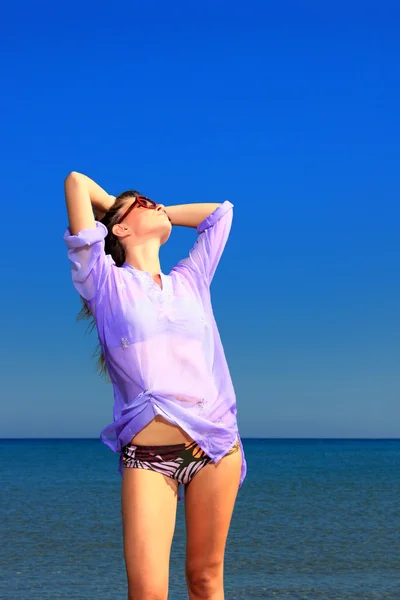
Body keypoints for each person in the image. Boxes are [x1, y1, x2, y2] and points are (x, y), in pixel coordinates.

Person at [63, 171, 247, 600]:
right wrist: (115, 203)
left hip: (216, 445)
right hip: (148, 456)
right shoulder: (104, 282)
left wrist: (154, 210)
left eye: (154, 200)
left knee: (205, 581)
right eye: (141, 202)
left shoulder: (191, 279)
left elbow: (221, 215)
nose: (154, 203)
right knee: (147, 593)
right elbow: (75, 183)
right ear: (118, 227)